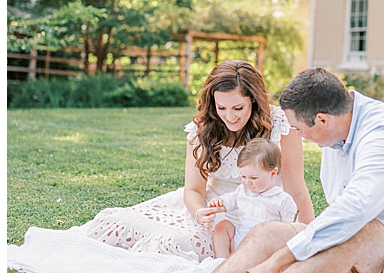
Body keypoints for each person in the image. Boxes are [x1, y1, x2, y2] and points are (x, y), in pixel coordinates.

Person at [109, 68, 384, 273]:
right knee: (267, 231)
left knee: (355, 232)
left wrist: (280, 260)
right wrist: (287, 241)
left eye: (300, 129)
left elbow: (355, 211)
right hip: (370, 250)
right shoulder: (339, 128)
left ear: (322, 119)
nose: (299, 137)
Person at [82, 60, 314, 261]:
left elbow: (297, 191)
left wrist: (309, 240)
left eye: (238, 107)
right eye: (221, 107)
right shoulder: (202, 129)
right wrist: (201, 212)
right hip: (213, 207)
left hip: (263, 210)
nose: (230, 116)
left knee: (177, 245)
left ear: (254, 101)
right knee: (124, 226)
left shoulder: (280, 125)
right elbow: (193, 189)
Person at [200, 138, 298, 259]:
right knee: (222, 226)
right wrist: (219, 202)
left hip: (263, 247)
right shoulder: (242, 191)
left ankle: (248, 264)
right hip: (239, 239)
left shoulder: (282, 199)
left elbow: (288, 229)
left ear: (272, 174)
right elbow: (229, 200)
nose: (247, 182)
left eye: (253, 178)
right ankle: (222, 260)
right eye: (243, 176)